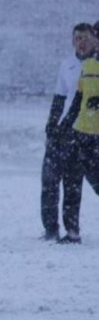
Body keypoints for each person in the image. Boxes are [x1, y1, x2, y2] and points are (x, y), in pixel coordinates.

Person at [41, 23, 95, 244]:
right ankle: (50, 228)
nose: (81, 42)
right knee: (49, 179)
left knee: (73, 182)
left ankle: (72, 231)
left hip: (83, 132)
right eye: (77, 38)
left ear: (94, 40)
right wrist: (51, 127)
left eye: (85, 37)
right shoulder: (67, 65)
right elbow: (59, 99)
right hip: (62, 130)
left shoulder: (95, 65)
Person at [57, 21, 99, 243]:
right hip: (81, 132)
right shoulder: (89, 65)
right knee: (71, 181)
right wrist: (65, 125)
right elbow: (80, 98)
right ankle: (72, 232)